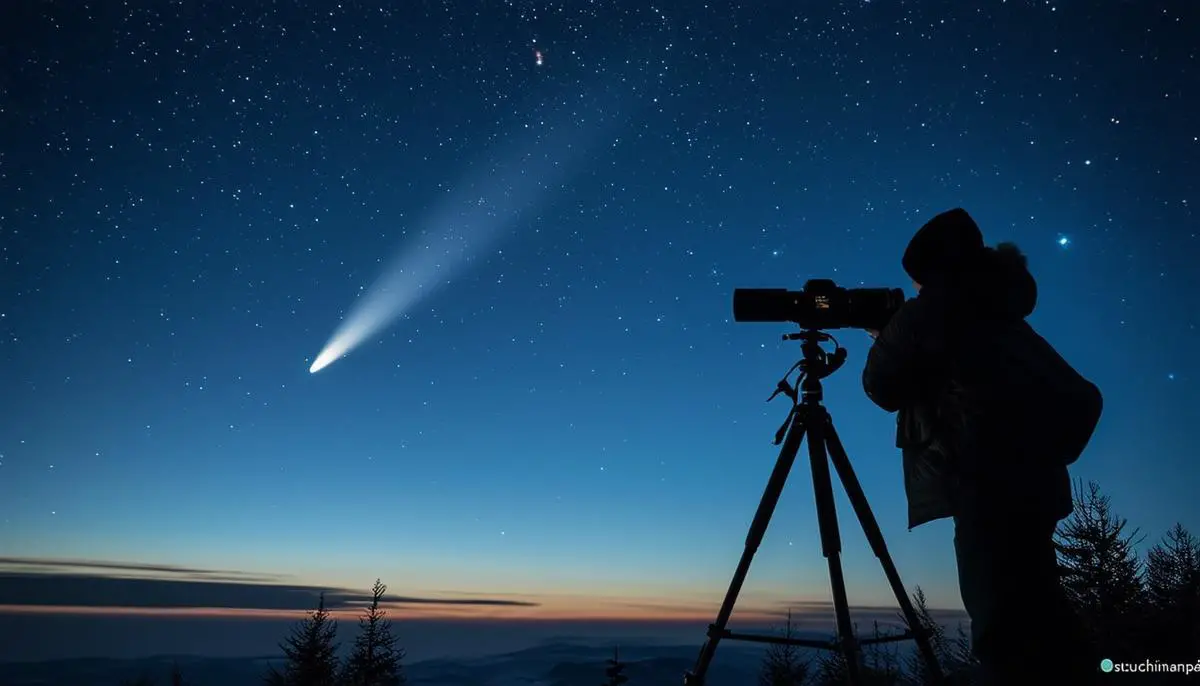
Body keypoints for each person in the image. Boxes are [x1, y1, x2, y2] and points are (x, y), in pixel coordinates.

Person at [861, 208, 1104, 685]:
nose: (914, 291)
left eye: (917, 282)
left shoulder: (934, 309)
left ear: (931, 272)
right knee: (1042, 606)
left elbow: (882, 388)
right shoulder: (1000, 311)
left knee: (1000, 624)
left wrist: (885, 334)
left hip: (984, 480)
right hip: (1037, 482)